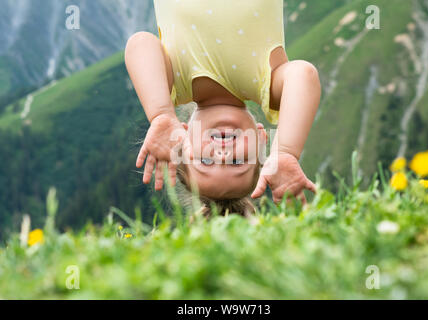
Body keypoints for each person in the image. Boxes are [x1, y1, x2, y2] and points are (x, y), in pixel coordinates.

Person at [124, 0, 321, 215]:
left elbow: (139, 44)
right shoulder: (268, 85)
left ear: (183, 137)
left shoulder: (173, 86)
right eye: (238, 162)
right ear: (261, 139)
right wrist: (285, 152)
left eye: (206, 161)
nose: (223, 154)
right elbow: (304, 75)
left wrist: (161, 114)